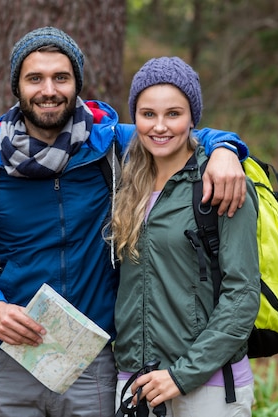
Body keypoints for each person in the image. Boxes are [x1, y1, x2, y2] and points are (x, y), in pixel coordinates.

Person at [0, 27, 249, 417]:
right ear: (16, 87)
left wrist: (226, 148)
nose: (49, 89)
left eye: (61, 77)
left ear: (77, 84)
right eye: (35, 78)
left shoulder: (110, 145)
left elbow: (174, 131)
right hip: (10, 358)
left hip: (94, 359)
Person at [111, 56, 261, 417]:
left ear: (193, 117)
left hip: (207, 386)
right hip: (137, 383)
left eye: (173, 114)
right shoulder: (126, 182)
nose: (160, 126)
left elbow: (242, 295)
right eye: (148, 114)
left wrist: (181, 375)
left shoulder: (221, 183)